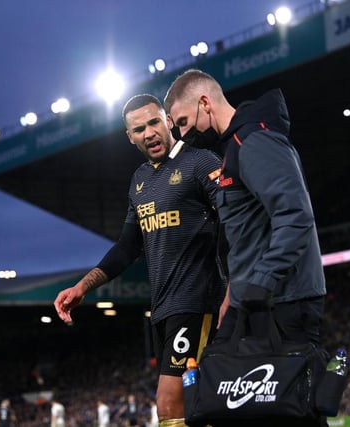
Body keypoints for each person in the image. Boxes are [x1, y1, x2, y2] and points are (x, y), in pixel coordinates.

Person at [164, 69, 328, 424]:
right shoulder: (234, 149)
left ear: (204, 103)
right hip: (251, 301)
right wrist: (233, 295)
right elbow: (247, 236)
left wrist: (260, 284)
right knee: (236, 410)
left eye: (181, 122)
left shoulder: (254, 142)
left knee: (293, 412)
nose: (180, 134)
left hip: (281, 302)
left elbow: (296, 216)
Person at [54, 94, 226, 427]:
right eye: (139, 129)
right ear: (130, 138)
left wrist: (234, 285)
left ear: (168, 121)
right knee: (198, 406)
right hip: (163, 309)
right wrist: (82, 286)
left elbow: (237, 218)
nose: (149, 133)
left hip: (196, 301)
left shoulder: (200, 163)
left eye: (153, 122)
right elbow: (127, 247)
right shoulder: (140, 181)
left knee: (169, 402)